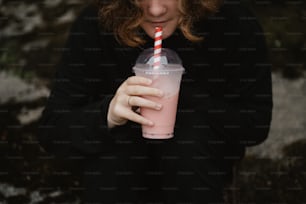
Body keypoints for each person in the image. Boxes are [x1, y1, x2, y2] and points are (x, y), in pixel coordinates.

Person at [37, 0, 273, 203]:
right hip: (116, 180)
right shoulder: (96, 24)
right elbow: (52, 130)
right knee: (116, 152)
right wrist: (107, 114)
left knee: (188, 144)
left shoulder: (233, 21)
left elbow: (256, 125)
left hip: (199, 175)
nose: (156, 10)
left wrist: (185, 97)